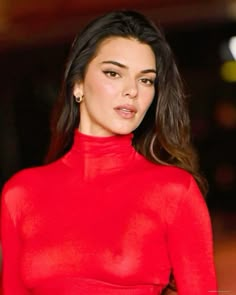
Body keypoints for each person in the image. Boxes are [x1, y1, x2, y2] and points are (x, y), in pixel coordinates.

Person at [1, 10, 217, 295]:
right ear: (77, 84)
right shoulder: (20, 194)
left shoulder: (174, 191)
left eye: (146, 80)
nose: (132, 91)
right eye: (113, 73)